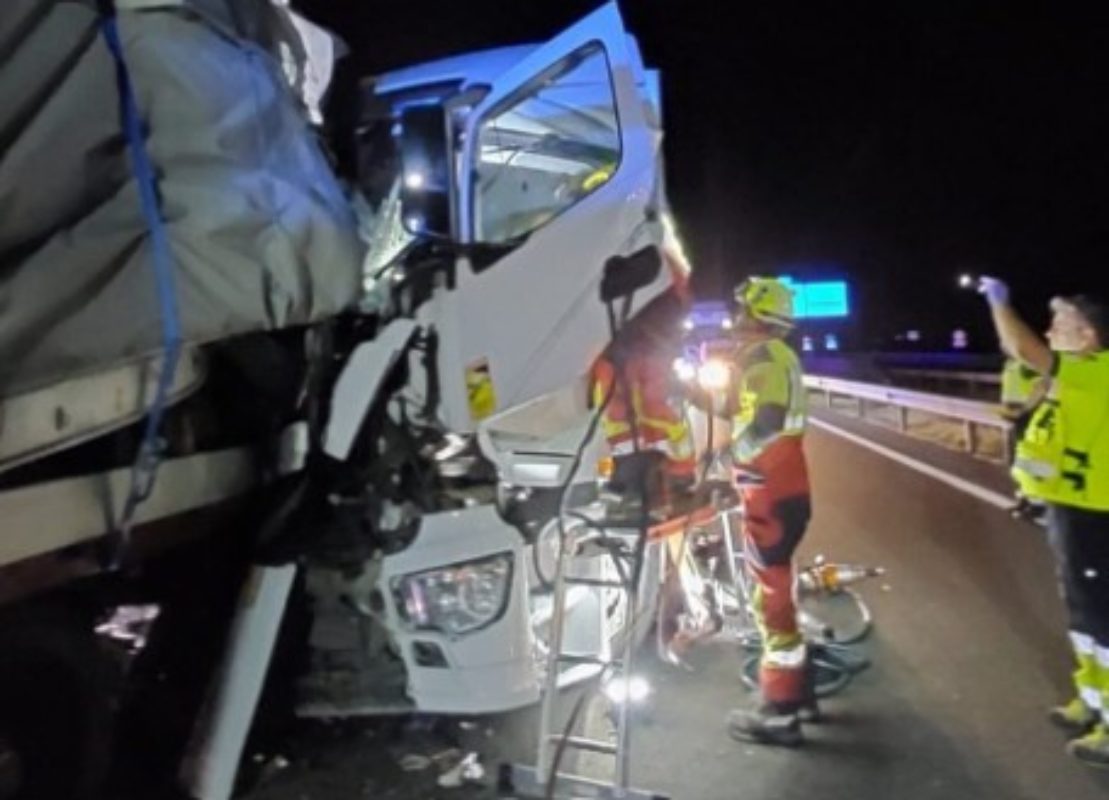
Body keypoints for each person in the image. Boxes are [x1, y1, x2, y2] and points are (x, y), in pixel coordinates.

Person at [977, 276, 1109, 767]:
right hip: (1069, 510)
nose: (1052, 332)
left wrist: (999, 302)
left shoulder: (1099, 372)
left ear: (1091, 337)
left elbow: (1019, 343)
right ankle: (1092, 704)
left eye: (1063, 324)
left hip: (1098, 515)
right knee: (1082, 616)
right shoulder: (1069, 377)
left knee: (1103, 619)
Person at [724, 277, 814, 747]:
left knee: (771, 597)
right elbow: (745, 408)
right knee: (779, 586)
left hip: (770, 495)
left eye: (741, 307)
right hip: (784, 487)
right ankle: (802, 690)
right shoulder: (775, 357)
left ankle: (779, 709)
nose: (735, 314)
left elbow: (766, 421)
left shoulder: (763, 358)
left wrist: (729, 457)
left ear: (757, 314)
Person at [999, 355, 1049, 521]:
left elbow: (1043, 385)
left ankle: (1039, 505)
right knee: (1017, 461)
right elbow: (1010, 390)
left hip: (1029, 416)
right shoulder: (1011, 363)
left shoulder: (1028, 362)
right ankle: (1024, 499)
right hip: (1016, 418)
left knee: (1032, 461)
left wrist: (1025, 410)